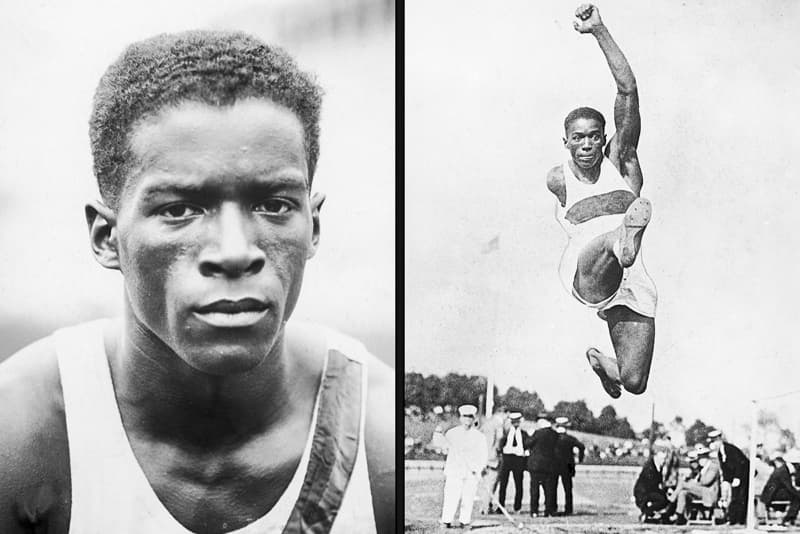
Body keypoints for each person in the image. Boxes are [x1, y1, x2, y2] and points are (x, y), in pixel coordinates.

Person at [0, 31, 395, 534]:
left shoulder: (375, 437)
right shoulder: (21, 434)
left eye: (274, 205)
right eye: (179, 209)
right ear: (107, 237)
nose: (235, 251)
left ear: (312, 226)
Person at [547, 3, 657, 399]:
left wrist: (599, 30)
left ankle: (599, 361)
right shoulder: (560, 179)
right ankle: (620, 238)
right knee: (611, 240)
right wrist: (617, 238)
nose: (588, 144)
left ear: (604, 135)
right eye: (578, 138)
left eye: (595, 135)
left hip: (631, 280)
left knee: (634, 382)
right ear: (566, 143)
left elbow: (628, 90)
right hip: (586, 270)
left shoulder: (622, 163)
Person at [440, 404, 488, 529]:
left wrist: (478, 469)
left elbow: (483, 456)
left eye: (470, 417)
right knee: (451, 496)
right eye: (465, 417)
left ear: (474, 419)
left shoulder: (479, 437)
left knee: (468, 497)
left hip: (471, 473)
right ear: (460, 418)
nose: (467, 420)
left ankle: (465, 521)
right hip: (454, 472)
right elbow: (443, 448)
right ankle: (446, 520)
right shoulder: (452, 433)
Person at [667, 447, 720, 525]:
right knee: (683, 492)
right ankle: (679, 515)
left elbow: (705, 482)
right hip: (701, 492)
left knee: (682, 484)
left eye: (702, 458)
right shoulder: (703, 468)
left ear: (707, 457)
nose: (700, 461)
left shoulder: (713, 467)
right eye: (699, 458)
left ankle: (670, 502)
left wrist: (692, 484)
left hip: (709, 493)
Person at [708, 430, 749, 525]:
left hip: (744, 475)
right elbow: (725, 469)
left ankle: (739, 521)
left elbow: (740, 463)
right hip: (735, 476)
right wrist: (726, 481)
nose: (713, 445)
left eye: (714, 442)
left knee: (741, 497)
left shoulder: (730, 449)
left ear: (719, 440)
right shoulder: (720, 453)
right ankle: (733, 520)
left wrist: (737, 477)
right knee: (734, 497)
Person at [525, 413, 560, 517]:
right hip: (550, 465)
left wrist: (530, 435)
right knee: (549, 489)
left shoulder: (537, 433)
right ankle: (549, 511)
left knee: (534, 489)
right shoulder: (555, 434)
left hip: (536, 465)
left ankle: (534, 511)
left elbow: (527, 443)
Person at [633, 440, 674, 522]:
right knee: (663, 500)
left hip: (649, 491)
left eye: (665, 459)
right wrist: (664, 491)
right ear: (657, 456)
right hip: (643, 493)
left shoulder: (658, 466)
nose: (664, 461)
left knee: (665, 498)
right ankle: (647, 513)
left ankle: (652, 514)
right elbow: (651, 485)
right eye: (663, 458)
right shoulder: (650, 467)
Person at [496, 412, 527, 514]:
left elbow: (527, 445)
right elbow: (500, 444)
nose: (515, 423)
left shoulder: (523, 434)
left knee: (518, 483)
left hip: (518, 459)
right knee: (503, 483)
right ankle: (501, 506)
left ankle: (517, 507)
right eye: (513, 421)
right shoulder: (506, 433)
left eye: (517, 421)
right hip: (507, 458)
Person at [554, 417, 585, 516]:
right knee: (568, 488)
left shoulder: (552, 438)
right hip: (567, 466)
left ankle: (552, 507)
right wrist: (580, 459)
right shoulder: (570, 439)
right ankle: (568, 509)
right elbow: (581, 446)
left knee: (552, 487)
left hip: (554, 465)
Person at [761, 454, 800, 526]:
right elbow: (789, 487)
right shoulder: (782, 472)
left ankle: (790, 518)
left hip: (775, 492)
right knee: (797, 498)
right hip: (772, 495)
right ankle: (788, 519)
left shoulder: (784, 469)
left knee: (797, 497)